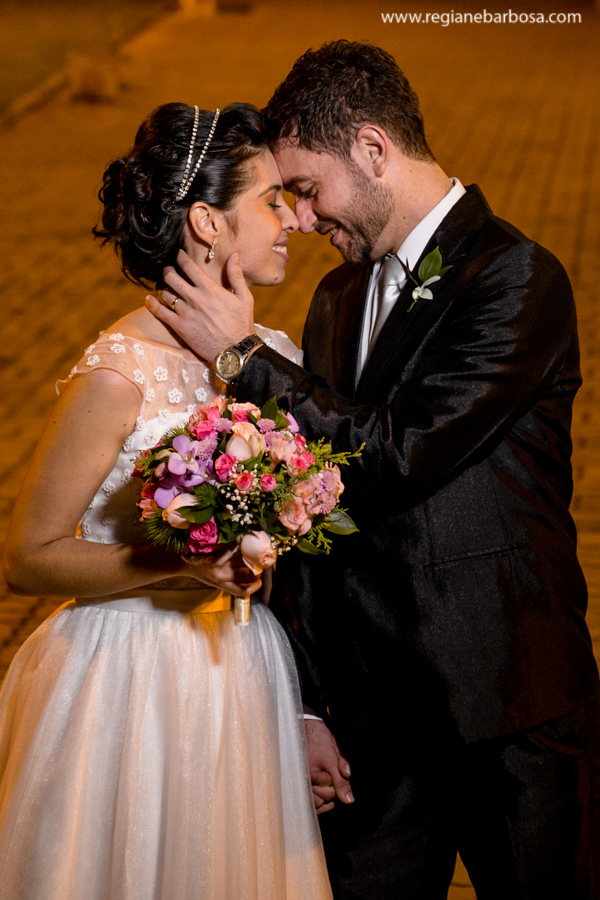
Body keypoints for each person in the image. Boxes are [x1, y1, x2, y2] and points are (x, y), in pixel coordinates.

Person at [146, 42, 600, 900]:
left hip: (509, 709)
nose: (304, 220)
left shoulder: (517, 278)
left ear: (373, 149)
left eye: (308, 190)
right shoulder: (336, 299)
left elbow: (396, 455)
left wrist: (244, 360)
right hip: (372, 734)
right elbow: (309, 511)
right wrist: (311, 705)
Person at [0, 101, 333, 900]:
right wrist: (180, 566)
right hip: (124, 683)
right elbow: (27, 556)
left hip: (242, 671)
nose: (292, 221)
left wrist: (306, 715)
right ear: (206, 223)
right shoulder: (120, 372)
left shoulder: (274, 358)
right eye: (270, 201)